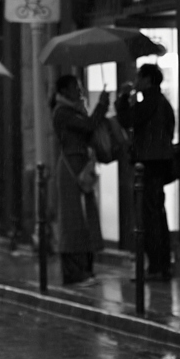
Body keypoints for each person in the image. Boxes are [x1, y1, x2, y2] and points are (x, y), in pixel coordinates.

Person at [116, 63, 175, 281]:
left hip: (148, 165)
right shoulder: (161, 102)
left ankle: (156, 267)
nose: (136, 81)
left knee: (148, 216)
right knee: (156, 213)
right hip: (158, 163)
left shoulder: (150, 101)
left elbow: (127, 119)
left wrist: (123, 97)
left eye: (139, 77)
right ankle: (161, 265)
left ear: (148, 80)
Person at [52, 74, 109, 287]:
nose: (79, 90)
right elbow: (89, 126)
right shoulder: (62, 112)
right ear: (65, 90)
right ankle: (74, 271)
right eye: (75, 87)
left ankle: (85, 268)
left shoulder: (74, 110)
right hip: (71, 169)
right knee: (72, 219)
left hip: (81, 167)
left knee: (85, 219)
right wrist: (102, 104)